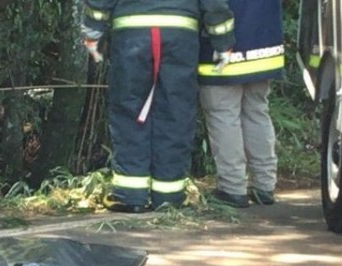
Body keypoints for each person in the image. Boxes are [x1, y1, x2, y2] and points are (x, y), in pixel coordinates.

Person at [82, 0, 235, 213]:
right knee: (176, 112)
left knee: (130, 110)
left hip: (132, 34)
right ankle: (169, 196)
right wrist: (223, 41)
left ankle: (130, 196)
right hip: (180, 35)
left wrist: (92, 31)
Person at [199, 0, 284, 208]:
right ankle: (264, 185)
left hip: (225, 49)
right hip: (264, 47)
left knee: (223, 113)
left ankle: (232, 187)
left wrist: (221, 40)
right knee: (257, 112)